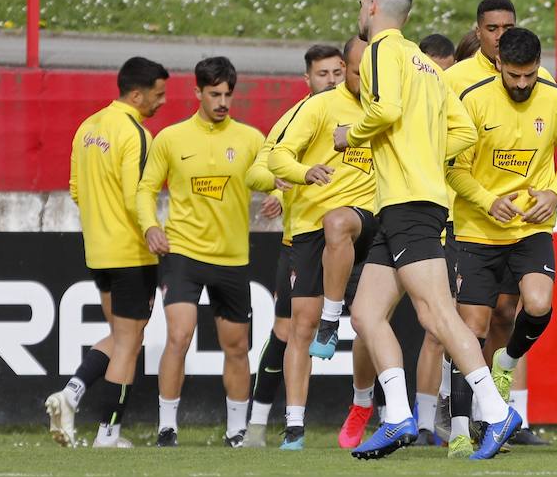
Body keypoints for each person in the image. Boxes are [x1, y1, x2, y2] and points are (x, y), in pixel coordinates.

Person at [332, 0, 518, 461]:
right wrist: (425, 155)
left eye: (360, 2)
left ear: (372, 8)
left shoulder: (377, 52)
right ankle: (396, 415)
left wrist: (350, 134)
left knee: (436, 311)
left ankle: (497, 411)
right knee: (366, 312)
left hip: (409, 202)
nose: (359, 9)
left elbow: (386, 110)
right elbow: (463, 134)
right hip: (405, 201)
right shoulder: (428, 67)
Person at [447, 25, 557, 451]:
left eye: (530, 75)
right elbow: (453, 168)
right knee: (472, 328)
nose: (522, 84)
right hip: (478, 229)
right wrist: (487, 201)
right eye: (514, 76)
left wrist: (554, 193)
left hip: (530, 227)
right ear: (499, 64)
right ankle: (458, 432)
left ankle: (506, 363)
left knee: (537, 305)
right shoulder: (473, 101)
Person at [136, 56, 265, 448]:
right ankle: (167, 427)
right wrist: (150, 226)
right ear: (197, 93)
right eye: (215, 94)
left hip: (231, 258)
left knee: (237, 346)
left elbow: (268, 174)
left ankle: (237, 430)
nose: (223, 101)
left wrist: (276, 193)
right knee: (179, 335)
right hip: (183, 254)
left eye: (228, 94)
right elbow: (145, 190)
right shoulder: (171, 139)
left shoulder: (250, 139)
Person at [47, 56, 169, 448]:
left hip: (98, 251)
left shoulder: (87, 127)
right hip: (132, 252)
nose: (162, 102)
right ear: (137, 93)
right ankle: (108, 434)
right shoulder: (136, 134)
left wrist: (102, 222)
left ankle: (72, 393)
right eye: (158, 94)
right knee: (130, 343)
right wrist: (149, 227)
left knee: (121, 337)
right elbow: (138, 192)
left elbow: (77, 190)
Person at [269, 40, 381, 450]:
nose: (356, 79)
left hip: (367, 220)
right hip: (310, 227)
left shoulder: (384, 108)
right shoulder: (316, 108)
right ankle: (295, 426)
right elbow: (277, 157)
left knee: (369, 322)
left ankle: (362, 403)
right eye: (352, 71)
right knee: (301, 324)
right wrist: (303, 172)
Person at [242, 43, 345, 447]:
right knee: (286, 331)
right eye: (323, 74)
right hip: (302, 240)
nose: (332, 81)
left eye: (338, 72)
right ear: (307, 79)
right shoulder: (295, 118)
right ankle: (260, 425)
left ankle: (395, 418)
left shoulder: (361, 114)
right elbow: (255, 172)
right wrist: (279, 182)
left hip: (356, 233)